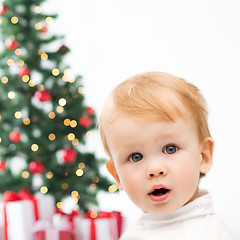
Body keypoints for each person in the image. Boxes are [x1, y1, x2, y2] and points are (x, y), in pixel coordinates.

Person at [98, 72, 236, 239]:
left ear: (203, 156)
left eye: (170, 149)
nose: (155, 169)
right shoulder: (133, 235)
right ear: (117, 175)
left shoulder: (211, 233)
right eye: (136, 157)